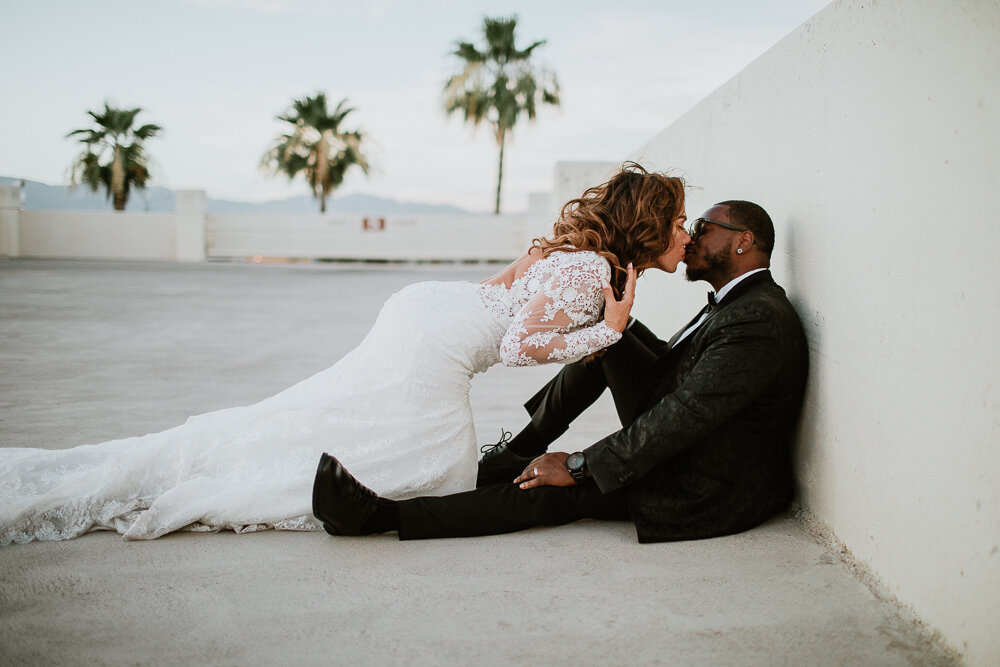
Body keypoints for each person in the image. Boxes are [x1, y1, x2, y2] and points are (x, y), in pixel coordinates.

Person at [0, 163, 689, 545]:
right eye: (680, 221)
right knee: (442, 469)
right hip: (443, 339)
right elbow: (516, 341)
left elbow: (501, 288)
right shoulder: (595, 274)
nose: (685, 234)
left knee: (333, 413)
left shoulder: (572, 252)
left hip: (429, 308)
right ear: (649, 224)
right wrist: (608, 330)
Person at [312, 200, 809, 542]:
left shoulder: (758, 319)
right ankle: (519, 450)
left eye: (703, 229)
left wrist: (577, 466)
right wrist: (612, 328)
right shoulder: (739, 302)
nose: (691, 237)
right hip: (691, 440)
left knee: (545, 493)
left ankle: (378, 517)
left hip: (707, 482)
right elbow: (678, 377)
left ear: (743, 242)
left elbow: (682, 418)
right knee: (611, 331)